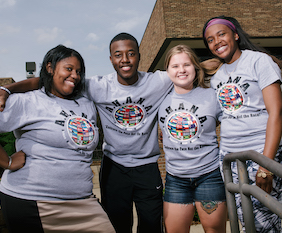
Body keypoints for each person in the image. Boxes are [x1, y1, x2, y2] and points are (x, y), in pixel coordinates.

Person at [0, 33, 173, 233]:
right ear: (111, 59)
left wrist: (167, 122)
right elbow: (45, 81)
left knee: (151, 226)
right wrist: (7, 89)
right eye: (118, 54)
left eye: (79, 71)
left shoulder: (87, 99)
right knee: (118, 226)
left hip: (125, 177)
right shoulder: (92, 88)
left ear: (139, 56)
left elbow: (187, 74)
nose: (74, 75)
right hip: (43, 194)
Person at [0, 45, 115, 233]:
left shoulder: (85, 103)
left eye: (78, 71)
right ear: (50, 68)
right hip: (32, 200)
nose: (75, 76)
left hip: (83, 202)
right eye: (68, 69)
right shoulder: (29, 100)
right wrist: (7, 161)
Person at [202, 15, 282, 232]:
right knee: (246, 220)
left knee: (270, 219)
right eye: (210, 39)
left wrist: (266, 164)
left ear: (235, 35)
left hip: (260, 151)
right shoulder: (217, 76)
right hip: (230, 158)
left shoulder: (258, 61)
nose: (216, 41)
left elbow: (276, 112)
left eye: (221, 34)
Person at [158, 45, 227, 233]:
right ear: (167, 71)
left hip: (209, 176)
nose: (181, 70)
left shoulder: (212, 96)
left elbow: (231, 124)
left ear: (195, 68)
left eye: (186, 64)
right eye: (175, 66)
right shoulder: (159, 99)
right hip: (175, 179)